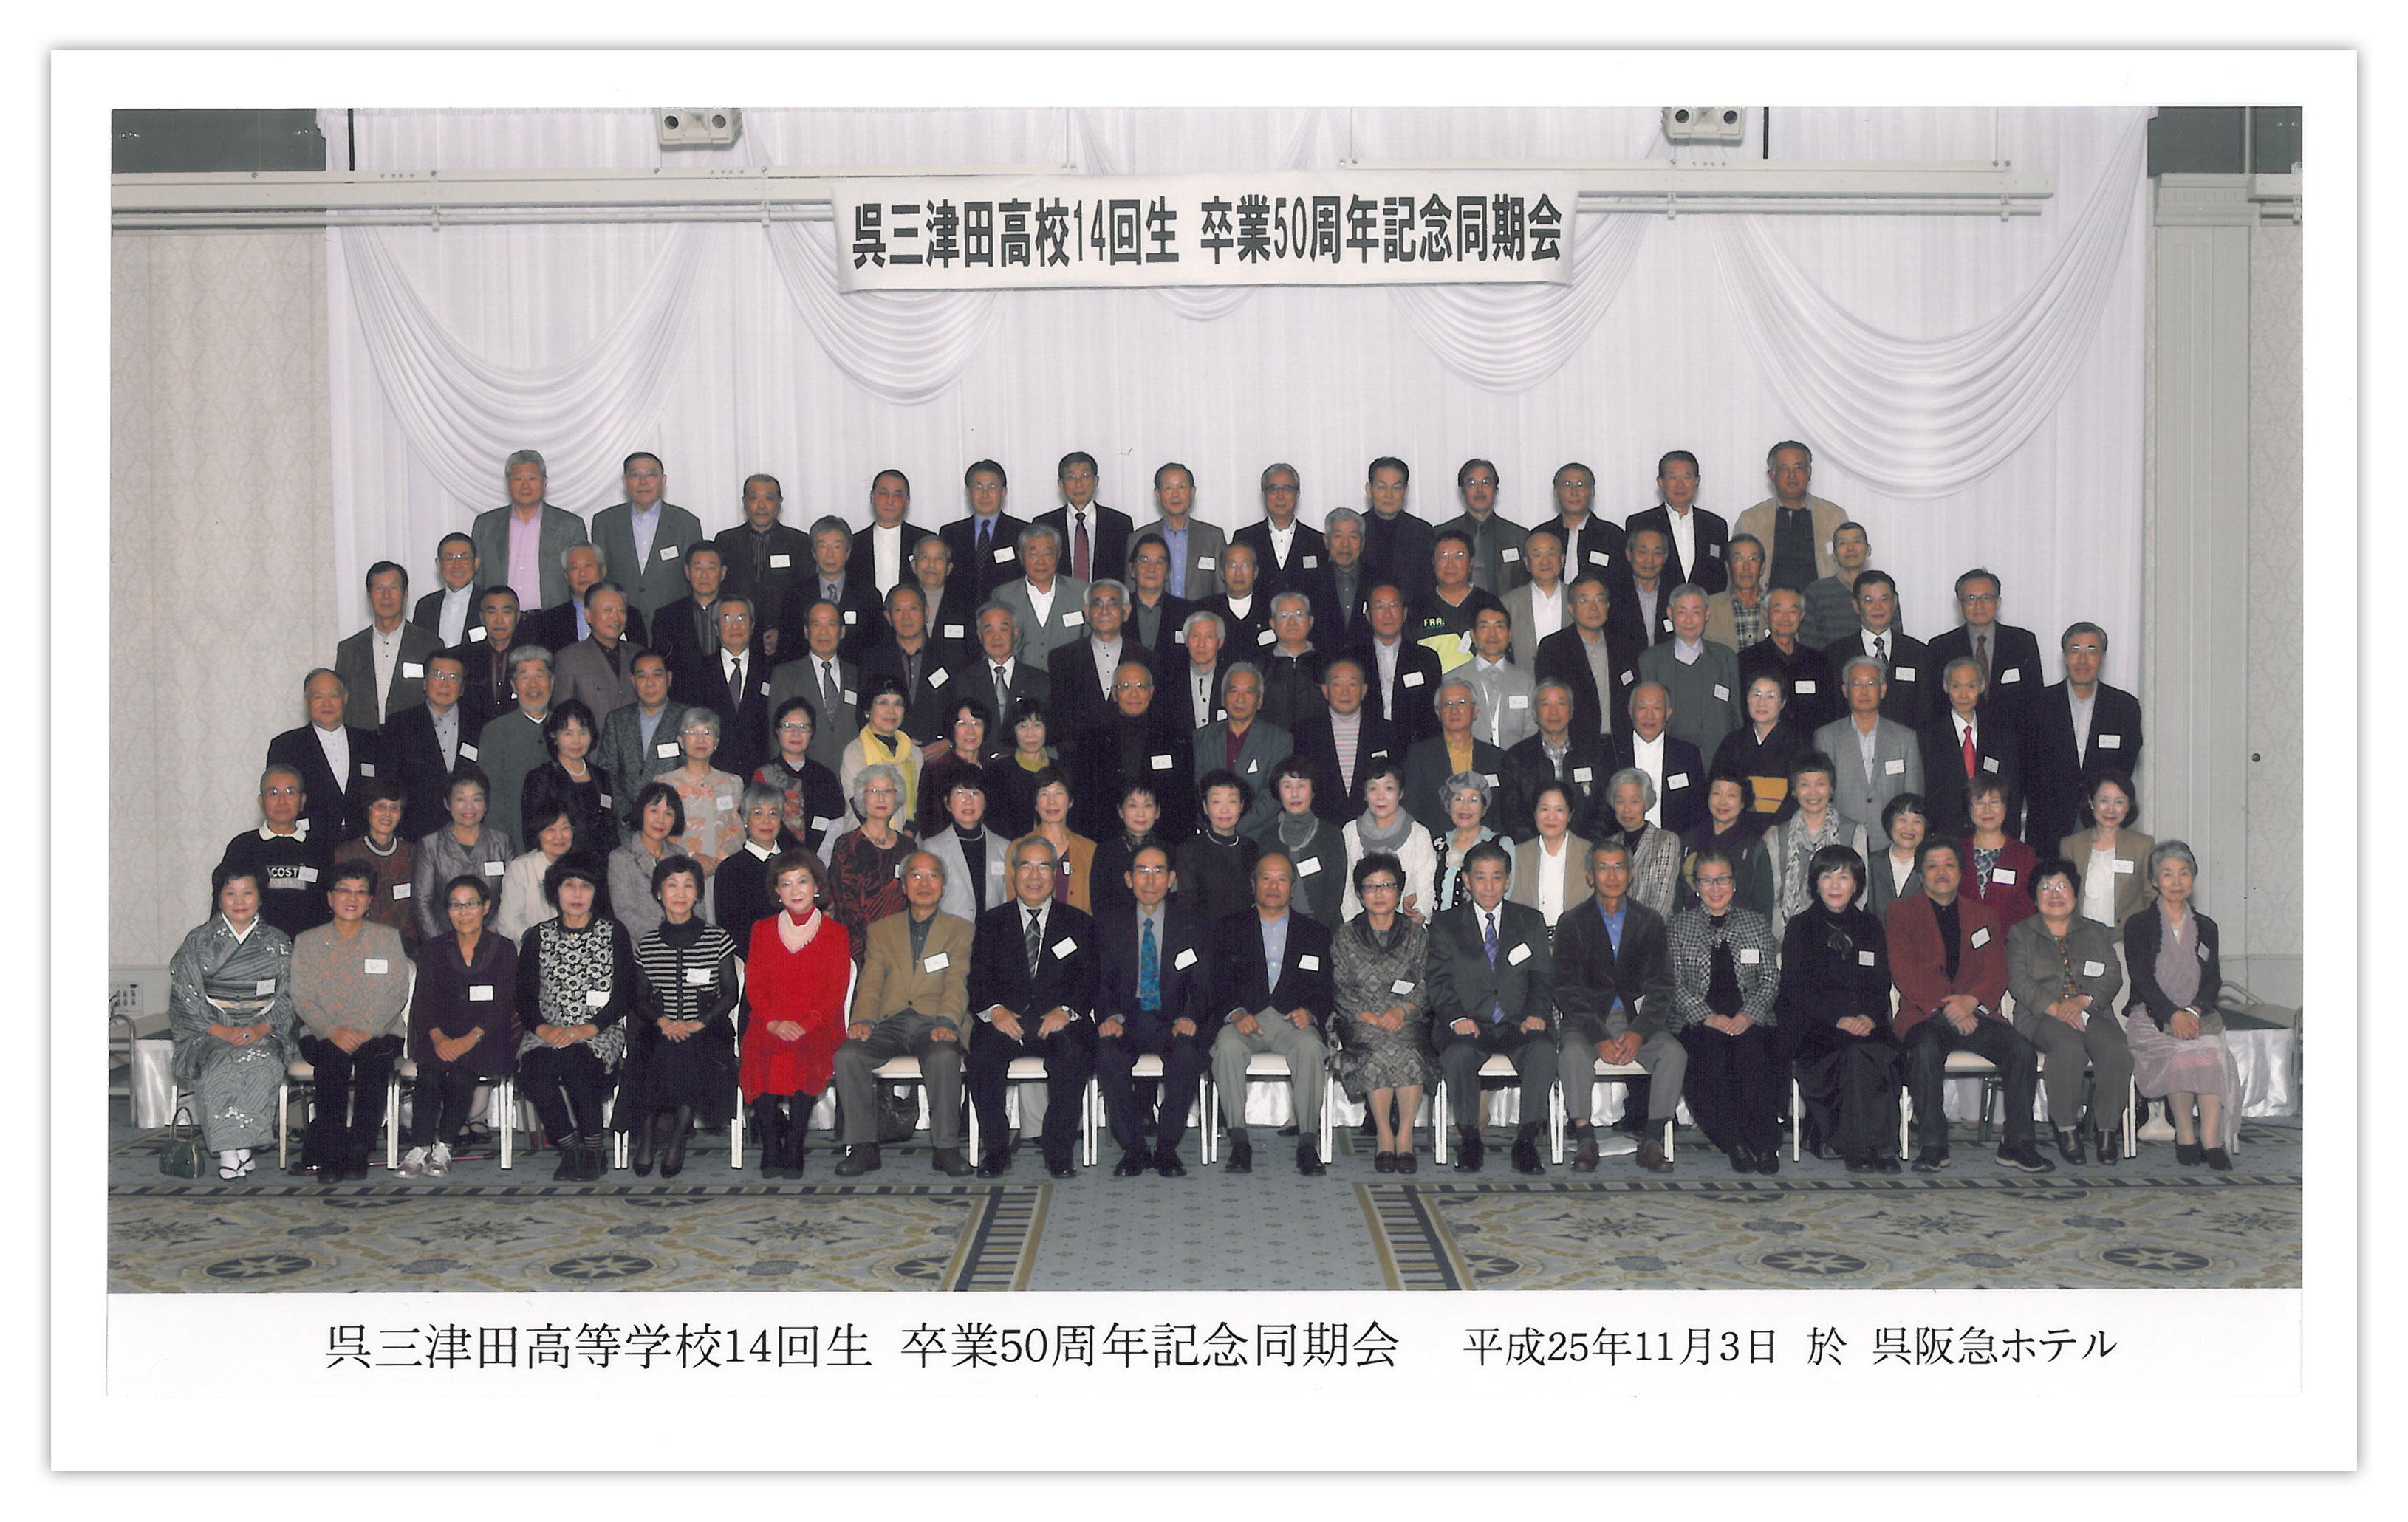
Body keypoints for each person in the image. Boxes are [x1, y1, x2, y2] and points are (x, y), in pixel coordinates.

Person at [1888, 839, 2053, 1174]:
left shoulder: (1983, 915)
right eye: (1932, 866)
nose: (1941, 872)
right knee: (1924, 1050)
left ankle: (2017, 1143)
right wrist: (1949, 1007)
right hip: (1925, 1015)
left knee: (2021, 1050)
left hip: (1976, 1012)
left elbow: (1996, 970)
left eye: (1949, 865)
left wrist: (1971, 1001)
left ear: (1961, 871)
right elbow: (1904, 971)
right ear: (1921, 874)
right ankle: (1934, 1146)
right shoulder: (1900, 913)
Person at [830, 851, 973, 1176]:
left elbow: (957, 981)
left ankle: (946, 1149)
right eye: (916, 875)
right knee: (848, 1055)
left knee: (943, 1057)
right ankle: (863, 1147)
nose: (924, 883)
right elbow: (871, 982)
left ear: (943, 885)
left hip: (935, 1020)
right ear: (904, 886)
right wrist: (863, 1020)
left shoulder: (961, 930)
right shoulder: (881, 930)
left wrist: (948, 1022)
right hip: (889, 1022)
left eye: (932, 875)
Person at [967, 836, 1101, 1177]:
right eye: (1026, 865)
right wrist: (995, 1011)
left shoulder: (1079, 922)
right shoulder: (990, 922)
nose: (1035, 875)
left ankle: (1058, 1152)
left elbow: (1090, 979)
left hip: (1058, 1019)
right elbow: (977, 978)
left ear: (1055, 873)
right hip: (1006, 1019)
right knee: (982, 1058)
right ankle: (997, 1150)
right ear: (1013, 873)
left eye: (1044, 866)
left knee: (1073, 1057)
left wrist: (1067, 1010)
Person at [1426, 841, 1556, 1173]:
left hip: (1518, 1022)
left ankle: (1526, 1141)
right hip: (1468, 1023)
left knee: (1543, 1050)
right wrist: (1456, 1017)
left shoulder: (1530, 920)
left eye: (1496, 877)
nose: (1488, 886)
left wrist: (1537, 1013)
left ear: (1508, 880)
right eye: (1480, 877)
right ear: (1466, 880)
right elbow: (1438, 980)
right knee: (1458, 1054)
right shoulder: (1445, 924)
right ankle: (1470, 1140)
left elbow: (1542, 976)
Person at [1552, 840, 1680, 1171]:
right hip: (1587, 1021)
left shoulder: (1650, 921)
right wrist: (1597, 1035)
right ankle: (1585, 1139)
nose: (1612, 876)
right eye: (1603, 868)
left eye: (1619, 867)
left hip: (1637, 1021)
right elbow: (1565, 988)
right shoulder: (1572, 922)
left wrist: (1639, 1032)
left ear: (1631, 874)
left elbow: (1662, 986)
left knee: (1674, 1053)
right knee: (1572, 1054)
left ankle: (1652, 1140)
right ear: (1590, 875)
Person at [1778, 844, 1903, 1173]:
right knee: (1855, 1054)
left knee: (1876, 1051)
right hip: (1816, 1028)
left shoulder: (1871, 927)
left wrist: (1868, 1017)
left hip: (1866, 1024)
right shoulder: (1801, 927)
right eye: (1827, 876)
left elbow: (1880, 983)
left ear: (1856, 884)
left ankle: (1877, 1145)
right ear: (1816, 883)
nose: (1835, 885)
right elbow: (1795, 988)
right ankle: (1864, 1147)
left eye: (1844, 877)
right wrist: (1838, 1019)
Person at [1092, 843, 1214, 1176]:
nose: (1150, 880)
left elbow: (1203, 984)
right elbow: (1098, 981)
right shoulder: (1108, 925)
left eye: (1158, 871)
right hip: (1127, 1020)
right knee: (1107, 1054)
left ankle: (1166, 1149)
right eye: (1142, 871)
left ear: (1171, 879)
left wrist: (1190, 1015)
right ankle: (1133, 1148)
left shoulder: (1193, 925)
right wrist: (1109, 1016)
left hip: (1172, 1021)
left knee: (1188, 1054)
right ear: (1129, 879)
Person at [169, 864, 298, 1179]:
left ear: (260, 897)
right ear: (219, 898)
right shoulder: (199, 941)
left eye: (248, 893)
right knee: (221, 1063)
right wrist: (222, 1030)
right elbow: (187, 994)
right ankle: (231, 1152)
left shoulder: (279, 942)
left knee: (261, 1061)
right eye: (231, 893)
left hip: (263, 1030)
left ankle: (242, 1148)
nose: (240, 901)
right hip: (209, 1032)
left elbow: (290, 994)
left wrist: (259, 1028)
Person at [1209, 854, 1335, 1175]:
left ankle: (1307, 1143)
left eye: (1282, 879)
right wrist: (1236, 1013)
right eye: (1266, 878)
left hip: (1292, 1022)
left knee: (1311, 1047)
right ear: (1253, 884)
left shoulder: (1316, 933)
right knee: (1226, 1047)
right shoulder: (1228, 928)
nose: (1273, 886)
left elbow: (1327, 988)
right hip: (1245, 1020)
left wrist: (1311, 1013)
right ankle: (1239, 1140)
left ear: (1292, 887)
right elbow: (1216, 982)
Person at [513, 854, 635, 1182]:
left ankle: (594, 1149)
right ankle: (570, 1148)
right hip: (547, 1029)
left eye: (586, 886)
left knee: (576, 1064)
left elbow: (625, 993)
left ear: (596, 892)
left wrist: (588, 1028)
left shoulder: (614, 933)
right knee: (535, 1072)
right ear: (556, 891)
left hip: (600, 1029)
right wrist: (543, 1029)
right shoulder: (537, 936)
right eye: (569, 885)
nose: (577, 894)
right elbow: (524, 995)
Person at [616, 856, 739, 1177]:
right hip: (661, 1025)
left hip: (709, 1026)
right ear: (659, 893)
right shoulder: (648, 944)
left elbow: (730, 993)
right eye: (672, 885)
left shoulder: (717, 939)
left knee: (689, 1050)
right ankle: (646, 1135)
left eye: (688, 886)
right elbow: (639, 997)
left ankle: (678, 1135)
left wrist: (699, 1022)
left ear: (698, 894)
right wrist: (663, 1022)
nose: (680, 893)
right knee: (651, 1053)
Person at [2008, 857, 2133, 1166]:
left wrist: (2084, 1001)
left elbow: (2112, 974)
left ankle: (2107, 1130)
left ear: (2075, 893)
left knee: (2117, 1049)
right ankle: (2067, 1129)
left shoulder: (2096, 932)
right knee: (2068, 1048)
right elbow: (2019, 981)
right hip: (2041, 1017)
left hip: (2092, 1012)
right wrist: (2057, 1009)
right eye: (2046, 888)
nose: (2055, 894)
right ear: (2034, 897)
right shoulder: (2021, 934)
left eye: (2062, 886)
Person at [728, 849, 844, 1178]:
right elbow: (755, 985)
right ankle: (770, 1146)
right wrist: (774, 1022)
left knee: (805, 1055)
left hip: (818, 1024)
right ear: (777, 891)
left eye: (802, 881)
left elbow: (835, 991)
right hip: (770, 1021)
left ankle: (794, 1144)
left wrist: (805, 1024)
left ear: (816, 886)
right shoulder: (762, 930)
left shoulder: (836, 933)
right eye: (786, 883)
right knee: (759, 1053)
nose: (795, 890)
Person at [1666, 847, 1783, 1173]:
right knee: (1710, 1057)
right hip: (1699, 1020)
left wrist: (1749, 1015)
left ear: (1734, 883)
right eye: (1707, 880)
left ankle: (1764, 1144)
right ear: (1696, 885)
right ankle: (1733, 1143)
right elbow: (1673, 984)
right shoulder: (1679, 926)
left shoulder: (1754, 923)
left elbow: (1770, 978)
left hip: (1749, 1016)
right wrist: (1707, 1017)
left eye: (1722, 879)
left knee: (1753, 1055)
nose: (1715, 888)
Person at [2121, 841, 2240, 1167]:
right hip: (2151, 1014)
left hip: (2198, 1014)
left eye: (2184, 873)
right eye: (2168, 874)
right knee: (2180, 1054)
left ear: (2193, 878)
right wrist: (2172, 1014)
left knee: (2211, 1053)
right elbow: (2142, 980)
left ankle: (2211, 1140)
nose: (2177, 881)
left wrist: (2192, 1011)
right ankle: (2185, 1135)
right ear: (2155, 880)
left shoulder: (2207, 927)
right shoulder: (2138, 925)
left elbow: (2213, 980)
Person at [289, 863, 409, 1179]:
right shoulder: (308, 942)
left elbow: (397, 992)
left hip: (379, 1030)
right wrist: (332, 1031)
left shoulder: (387, 939)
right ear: (330, 898)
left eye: (360, 892)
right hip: (323, 1031)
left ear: (370, 901)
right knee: (332, 1060)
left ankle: (359, 1149)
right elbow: (301, 997)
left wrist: (366, 1030)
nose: (352, 898)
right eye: (344, 890)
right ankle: (332, 1152)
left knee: (374, 1062)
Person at [398, 874, 518, 1177]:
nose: (463, 912)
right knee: (429, 1075)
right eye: (455, 905)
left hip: (487, 1036)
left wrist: (470, 1038)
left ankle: (444, 1147)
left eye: (471, 904)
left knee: (463, 1074)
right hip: (440, 1034)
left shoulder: (504, 949)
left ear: (486, 907)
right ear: (447, 910)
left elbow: (504, 1003)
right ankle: (419, 1147)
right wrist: (439, 1038)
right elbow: (423, 1002)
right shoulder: (434, 948)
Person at [1330, 852, 1434, 1174]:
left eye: (1387, 886)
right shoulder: (1345, 935)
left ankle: (1405, 1137)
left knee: (1408, 1051)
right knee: (1377, 1050)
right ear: (1360, 894)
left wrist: (1402, 1011)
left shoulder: (1417, 935)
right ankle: (1384, 1137)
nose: (1379, 893)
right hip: (1361, 1022)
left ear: (1399, 891)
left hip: (1407, 1019)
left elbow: (1426, 982)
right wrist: (1369, 1016)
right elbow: (1339, 987)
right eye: (1371, 886)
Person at [2023, 622, 2147, 851]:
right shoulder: (2037, 705)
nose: (2083, 660)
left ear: (2103, 658)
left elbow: (2125, 767)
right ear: (2065, 656)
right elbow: (2026, 769)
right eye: (2075, 650)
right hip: (2048, 827)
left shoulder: (2124, 708)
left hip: (2105, 825)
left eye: (2092, 651)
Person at [1073, 661, 1196, 845]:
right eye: (1125, 687)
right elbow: (1085, 801)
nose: (1134, 694)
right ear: (1114, 694)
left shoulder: (1175, 738)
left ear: (1151, 691)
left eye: (1140, 686)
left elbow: (1184, 798)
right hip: (1107, 840)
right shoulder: (1091, 741)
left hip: (1165, 840)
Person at [219, 763, 338, 942]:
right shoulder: (242, 847)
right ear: (261, 802)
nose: (282, 801)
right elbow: (223, 906)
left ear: (302, 800)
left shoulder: (322, 848)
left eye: (290, 792)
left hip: (312, 949)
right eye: (273, 793)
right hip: (255, 951)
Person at [1924, 567, 2046, 736]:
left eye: (1986, 598)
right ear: (1960, 606)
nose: (1979, 605)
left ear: (1998, 602)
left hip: (2015, 742)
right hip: (1961, 742)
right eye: (1971, 598)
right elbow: (1935, 706)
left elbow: (2036, 702)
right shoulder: (1940, 647)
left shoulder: (2022, 642)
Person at [1816, 656, 1923, 846]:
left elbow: (1914, 799)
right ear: (1845, 690)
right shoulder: (1826, 737)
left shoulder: (1905, 738)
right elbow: (1820, 798)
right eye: (1857, 684)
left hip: (1891, 842)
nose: (1864, 691)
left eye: (1871, 684)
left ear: (1883, 690)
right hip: (1841, 842)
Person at [264, 668, 378, 842]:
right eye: (318, 697)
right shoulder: (285, 746)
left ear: (345, 698)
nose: (327, 704)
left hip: (365, 843)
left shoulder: (372, 742)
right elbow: (278, 802)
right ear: (307, 701)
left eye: (333, 696)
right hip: (309, 843)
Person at [469, 448, 589, 614]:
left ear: (545, 482)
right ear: (508, 483)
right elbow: (477, 580)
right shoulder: (486, 526)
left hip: (555, 617)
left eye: (532, 478)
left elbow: (581, 581)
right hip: (501, 620)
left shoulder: (570, 526)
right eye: (518, 479)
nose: (525, 486)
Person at [590, 450, 704, 623]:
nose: (643, 482)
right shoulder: (604, 523)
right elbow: (599, 579)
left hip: (674, 623)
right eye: (635, 475)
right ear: (625, 482)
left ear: (663, 481)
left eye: (650, 474)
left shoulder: (686, 523)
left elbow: (696, 579)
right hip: (620, 623)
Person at [333, 560, 444, 732]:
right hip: (362, 739)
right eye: (379, 589)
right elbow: (339, 700)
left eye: (393, 588)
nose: (386, 596)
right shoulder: (349, 649)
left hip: (412, 738)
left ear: (405, 594)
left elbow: (440, 700)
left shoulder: (430, 645)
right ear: (369, 596)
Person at [1290, 656, 1400, 827]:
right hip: (1321, 828)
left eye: (1352, 684)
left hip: (1376, 826)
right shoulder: (1303, 734)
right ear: (1325, 691)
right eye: (1337, 685)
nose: (1345, 692)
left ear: (1364, 690)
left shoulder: (1388, 732)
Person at [1533, 572, 1642, 747]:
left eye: (1599, 600)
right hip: (1575, 747)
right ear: (1571, 609)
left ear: (1608, 605)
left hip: (1621, 746)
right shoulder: (1553, 648)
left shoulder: (1625, 647)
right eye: (1584, 601)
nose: (1594, 608)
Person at [1918, 657, 2020, 839]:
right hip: (1944, 837)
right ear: (1945, 687)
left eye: (1971, 686)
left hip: (1991, 835)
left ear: (1982, 686)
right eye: (1956, 686)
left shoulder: (2001, 735)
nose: (1963, 695)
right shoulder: (1927, 736)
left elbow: (2012, 790)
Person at [1636, 583, 1742, 760]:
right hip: (1670, 762)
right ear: (1670, 614)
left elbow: (1737, 717)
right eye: (1682, 612)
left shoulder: (1726, 658)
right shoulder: (1650, 662)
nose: (1689, 620)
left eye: (1696, 612)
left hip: (1719, 761)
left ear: (1707, 614)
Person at [1497, 680, 1610, 843]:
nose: (1554, 711)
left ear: (1571, 711)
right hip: (1533, 850)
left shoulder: (1593, 754)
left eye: (1561, 704)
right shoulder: (1516, 757)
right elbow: (1511, 813)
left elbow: (1604, 807)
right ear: (1534, 713)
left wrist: (1584, 846)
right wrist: (1539, 848)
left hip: (1586, 849)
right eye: (1546, 704)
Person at [409, 766, 513, 943]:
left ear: (486, 804)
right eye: (461, 799)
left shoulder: (502, 842)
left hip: (494, 940)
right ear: (447, 803)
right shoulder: (430, 845)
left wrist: (491, 935)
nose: (469, 807)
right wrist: (443, 945)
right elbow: (422, 902)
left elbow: (512, 895)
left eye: (476, 799)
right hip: (444, 942)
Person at [1191, 663, 1293, 836]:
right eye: (1234, 691)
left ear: (1259, 701)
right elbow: (1196, 789)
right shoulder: (1201, 738)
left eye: (1248, 692)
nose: (1240, 699)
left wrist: (1229, 829)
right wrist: (1214, 828)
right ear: (1223, 698)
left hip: (1258, 838)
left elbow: (1273, 796)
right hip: (1209, 837)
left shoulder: (1279, 740)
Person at [1044, 578, 1150, 744]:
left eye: (1113, 604)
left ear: (1126, 611)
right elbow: (1060, 717)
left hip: (1132, 750)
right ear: (1087, 612)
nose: (1104, 611)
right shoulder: (1062, 658)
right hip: (1078, 754)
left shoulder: (1147, 658)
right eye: (1097, 604)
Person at [829, 762, 916, 963]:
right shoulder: (846, 845)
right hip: (859, 951)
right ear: (862, 797)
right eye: (874, 791)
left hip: (900, 950)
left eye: (888, 791)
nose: (881, 798)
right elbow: (847, 908)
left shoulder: (908, 847)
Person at [1734, 441, 1845, 596]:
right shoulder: (1751, 520)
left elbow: (1848, 572)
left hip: (1823, 606)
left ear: (1809, 472)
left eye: (1798, 468)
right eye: (1784, 468)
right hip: (1765, 607)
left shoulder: (1834, 517)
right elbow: (1735, 574)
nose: (1792, 475)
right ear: (1772, 475)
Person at [1824, 569, 1930, 730]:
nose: (1877, 607)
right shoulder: (1835, 654)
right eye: (1869, 600)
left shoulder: (1918, 653)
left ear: (1895, 602)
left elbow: (1927, 712)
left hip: (1906, 743)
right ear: (1856, 606)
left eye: (1884, 599)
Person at [471, 645, 554, 850]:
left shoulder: (566, 728)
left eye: (539, 676)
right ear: (514, 685)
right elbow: (491, 799)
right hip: (514, 844)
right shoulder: (495, 731)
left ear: (552, 681)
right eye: (525, 678)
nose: (533, 685)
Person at [1253, 756, 1349, 930]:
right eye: (1287, 786)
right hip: (1277, 928)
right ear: (1278, 791)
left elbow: (1334, 895)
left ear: (1313, 790)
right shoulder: (1267, 838)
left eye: (1302, 785)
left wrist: (1313, 930)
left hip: (1324, 929)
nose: (1295, 793)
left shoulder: (1331, 834)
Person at [384, 651, 472, 840]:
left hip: (469, 833)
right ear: (425, 683)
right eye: (438, 675)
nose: (444, 683)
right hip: (415, 835)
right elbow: (389, 785)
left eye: (453, 677)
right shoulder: (399, 725)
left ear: (462, 688)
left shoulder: (480, 725)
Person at [764, 599, 856, 778]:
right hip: (802, 780)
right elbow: (776, 737)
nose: (824, 632)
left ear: (842, 631)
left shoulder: (856, 673)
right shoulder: (785, 675)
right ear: (806, 631)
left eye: (831, 624)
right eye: (816, 624)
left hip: (851, 777)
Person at [1763, 753, 1853, 936]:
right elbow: (1773, 895)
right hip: (1787, 933)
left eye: (1820, 784)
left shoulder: (1853, 832)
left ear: (1832, 789)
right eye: (1804, 785)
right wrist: (1788, 936)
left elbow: (1859, 893)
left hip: (1841, 932)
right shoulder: (1778, 836)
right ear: (1794, 791)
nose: (1813, 792)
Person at [1338, 761, 1439, 921]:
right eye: (1373, 789)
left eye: (1389, 788)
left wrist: (1418, 914)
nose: (1380, 797)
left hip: (1406, 926)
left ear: (1401, 793)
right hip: (1359, 927)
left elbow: (1426, 887)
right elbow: (1346, 888)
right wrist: (1352, 926)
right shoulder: (1350, 832)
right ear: (1364, 794)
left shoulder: (1419, 834)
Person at [520, 698, 618, 860]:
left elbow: (610, 829)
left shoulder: (601, 777)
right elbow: (533, 835)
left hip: (600, 866)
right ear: (554, 736)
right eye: (568, 733)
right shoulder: (540, 778)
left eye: (583, 732)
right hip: (558, 866)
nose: (576, 741)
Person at [1402, 676, 1506, 827]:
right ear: (1438, 713)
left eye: (1462, 702)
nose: (1454, 710)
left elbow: (1502, 813)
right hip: (1436, 839)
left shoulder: (1497, 757)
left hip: (1486, 840)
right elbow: (1411, 809)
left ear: (1475, 710)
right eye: (1448, 704)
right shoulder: (1419, 755)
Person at [712, 782, 805, 950]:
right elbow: (731, 932)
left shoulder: (797, 864)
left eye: (773, 813)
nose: (766, 821)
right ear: (745, 819)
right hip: (753, 958)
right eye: (758, 813)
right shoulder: (730, 870)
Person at [1605, 681, 1706, 835]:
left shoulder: (1688, 755)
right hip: (1620, 845)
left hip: (1676, 843)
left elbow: (1698, 810)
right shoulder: (1610, 753)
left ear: (1668, 713)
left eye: (1657, 708)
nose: (1649, 716)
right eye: (1642, 707)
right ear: (1631, 711)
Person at [754, 695, 846, 860]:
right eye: (788, 726)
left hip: (820, 862)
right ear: (777, 730)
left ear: (812, 732)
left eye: (803, 727)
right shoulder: (764, 775)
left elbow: (836, 822)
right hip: (776, 862)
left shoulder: (825, 776)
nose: (796, 733)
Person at [332, 777, 418, 955]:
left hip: (403, 948)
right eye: (381, 806)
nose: (387, 814)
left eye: (394, 808)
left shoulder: (413, 854)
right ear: (368, 809)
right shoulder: (347, 854)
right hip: (356, 946)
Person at [1626, 449, 1730, 594]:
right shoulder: (1640, 523)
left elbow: (1720, 578)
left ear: (1697, 481)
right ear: (1661, 482)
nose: (1680, 485)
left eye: (1687, 477)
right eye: (1673, 477)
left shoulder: (1715, 526)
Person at [1714, 672, 1808, 829]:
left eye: (1771, 696)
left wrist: (1775, 829)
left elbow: (1800, 793)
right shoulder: (1732, 742)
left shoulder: (1798, 743)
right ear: (1747, 699)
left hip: (1784, 828)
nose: (1762, 703)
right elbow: (1716, 786)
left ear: (1783, 703)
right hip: (1736, 828)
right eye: (1757, 695)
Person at [991, 522, 1090, 671]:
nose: (1041, 561)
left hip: (1070, 680)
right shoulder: (1003, 596)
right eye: (1034, 554)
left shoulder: (1081, 592)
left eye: (1047, 554)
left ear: (1058, 556)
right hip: (1020, 682)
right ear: (1021, 557)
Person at [2065, 769, 2155, 929]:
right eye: (2104, 800)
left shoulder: (2143, 846)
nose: (2111, 810)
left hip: (2127, 937)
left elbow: (2151, 897)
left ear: (2128, 806)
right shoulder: (2070, 846)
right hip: (2081, 936)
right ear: (2091, 802)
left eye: (2119, 802)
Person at [1359, 583, 1444, 744]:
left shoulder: (1426, 659)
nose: (1387, 614)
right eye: (1380, 606)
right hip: (1364, 745)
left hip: (1415, 746)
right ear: (1368, 615)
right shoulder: (1352, 660)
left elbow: (1432, 715)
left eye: (1394, 605)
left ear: (1404, 613)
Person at [1680, 768, 1771, 919]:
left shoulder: (1755, 848)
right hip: (1691, 927)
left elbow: (1763, 906)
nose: (1723, 802)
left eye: (1731, 795)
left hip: (1741, 929)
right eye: (1717, 793)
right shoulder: (1687, 842)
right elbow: (1676, 897)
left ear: (1743, 802)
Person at [1231, 461, 1327, 603]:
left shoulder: (1317, 541)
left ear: (1297, 494)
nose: (1280, 496)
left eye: (1287, 489)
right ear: (1264, 495)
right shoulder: (1245, 538)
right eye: (1273, 490)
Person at [1036, 450, 1133, 589]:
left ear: (1096, 481)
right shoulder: (1044, 525)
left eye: (1085, 476)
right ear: (1061, 484)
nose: (1079, 484)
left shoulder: (1119, 524)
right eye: (1071, 477)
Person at [1175, 770, 1261, 925]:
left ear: (1241, 805)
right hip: (1206, 933)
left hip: (1247, 931)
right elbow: (1187, 907)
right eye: (1216, 802)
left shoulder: (1251, 848)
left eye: (1232, 801)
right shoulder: (1190, 851)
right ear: (1205, 807)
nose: (1224, 810)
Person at [550, 583, 645, 722]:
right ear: (588, 615)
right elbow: (562, 719)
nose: (616, 618)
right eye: (608, 610)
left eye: (621, 611)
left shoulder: (638, 655)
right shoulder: (568, 659)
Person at [664, 707, 743, 874]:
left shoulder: (733, 783)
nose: (700, 739)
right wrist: (692, 856)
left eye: (707, 732)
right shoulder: (666, 783)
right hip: (681, 870)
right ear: (681, 741)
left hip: (723, 869)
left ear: (716, 742)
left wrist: (719, 860)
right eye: (692, 732)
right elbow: (662, 831)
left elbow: (737, 831)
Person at [1736, 586, 1827, 730]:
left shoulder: (1818, 661)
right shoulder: (1746, 660)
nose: (1785, 618)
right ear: (1766, 615)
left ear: (1802, 616)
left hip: (1809, 742)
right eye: (1778, 611)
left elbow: (1827, 712)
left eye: (1793, 611)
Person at [1434, 456, 1528, 594]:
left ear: (1495, 489)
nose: (1480, 490)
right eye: (1472, 483)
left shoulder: (1519, 537)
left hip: (1506, 607)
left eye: (1486, 483)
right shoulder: (1441, 534)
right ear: (1463, 490)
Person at [1136, 461, 1225, 602]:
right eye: (1168, 488)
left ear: (1192, 492)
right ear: (1158, 494)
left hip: (1202, 615)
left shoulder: (1213, 537)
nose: (1175, 495)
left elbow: (1222, 592)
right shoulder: (1139, 538)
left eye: (1181, 487)